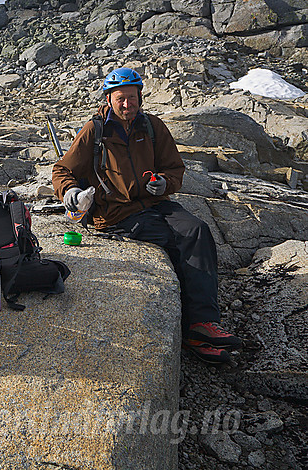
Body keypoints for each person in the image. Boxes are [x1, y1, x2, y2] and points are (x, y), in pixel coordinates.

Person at [52, 67, 242, 364]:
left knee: (197, 230)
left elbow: (174, 169)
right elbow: (63, 171)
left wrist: (164, 182)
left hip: (154, 204)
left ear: (140, 96)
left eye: (132, 98)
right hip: (115, 213)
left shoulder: (152, 127)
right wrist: (71, 193)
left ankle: (204, 323)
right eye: (120, 99)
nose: (127, 104)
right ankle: (193, 329)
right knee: (174, 240)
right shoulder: (96, 130)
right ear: (109, 98)